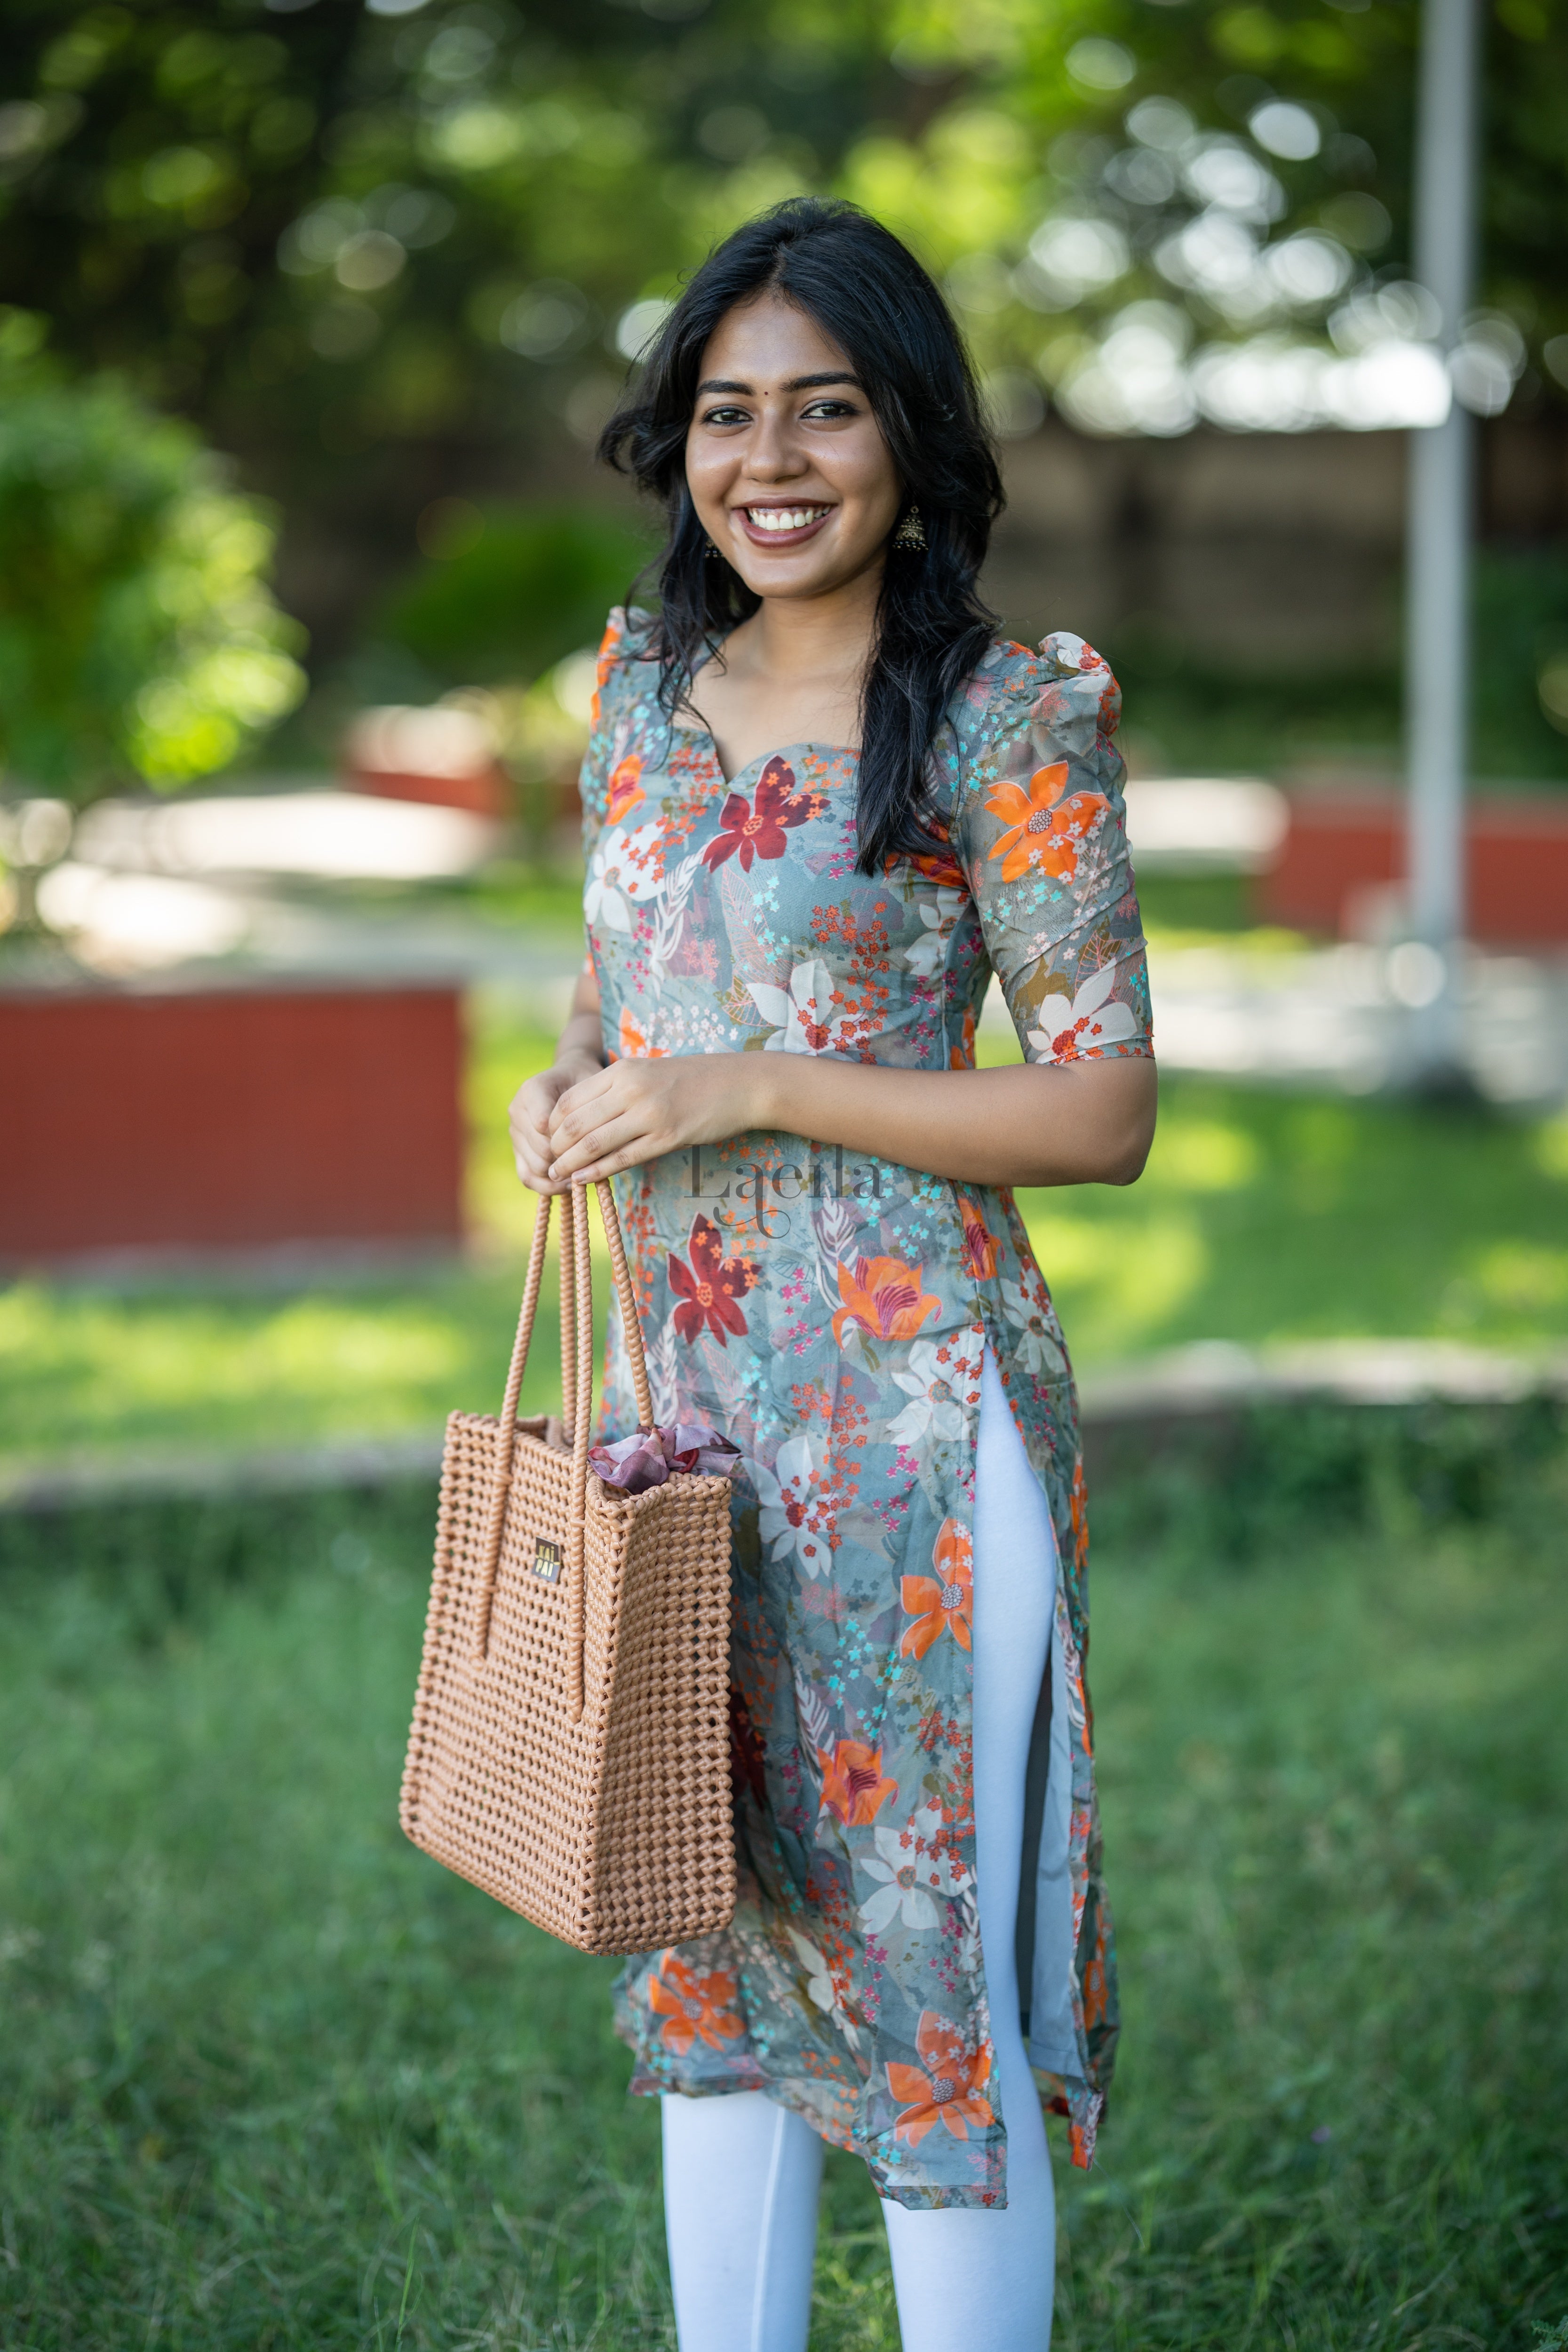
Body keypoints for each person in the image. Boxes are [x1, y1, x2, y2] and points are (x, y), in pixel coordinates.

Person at [509, 196, 1156, 2352]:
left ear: (911, 431)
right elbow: (617, 991)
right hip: (682, 1427)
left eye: (826, 407)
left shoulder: (1002, 715)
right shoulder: (638, 686)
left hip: (916, 1436)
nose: (769, 459)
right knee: (708, 1935)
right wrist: (571, 1086)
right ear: (677, 439)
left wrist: (759, 1083)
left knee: (918, 1965)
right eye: (726, 411)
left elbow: (1104, 1109)